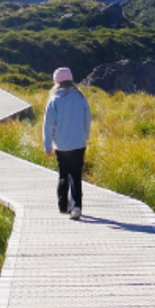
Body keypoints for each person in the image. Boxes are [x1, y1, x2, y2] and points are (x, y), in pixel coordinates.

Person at [42, 66, 91, 220]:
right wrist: (85, 136)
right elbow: (87, 119)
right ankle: (76, 206)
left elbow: (48, 124)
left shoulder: (54, 99)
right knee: (76, 175)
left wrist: (47, 145)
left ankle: (63, 206)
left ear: (56, 81)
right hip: (78, 143)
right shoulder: (80, 97)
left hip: (61, 145)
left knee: (63, 174)